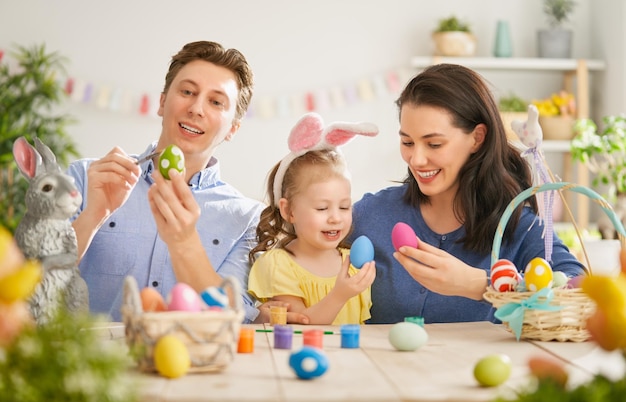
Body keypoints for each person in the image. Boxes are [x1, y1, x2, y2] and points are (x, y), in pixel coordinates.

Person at [68, 41, 303, 324]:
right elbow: (30, 283)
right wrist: (93, 215)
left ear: (233, 129)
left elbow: (233, 319)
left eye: (216, 102)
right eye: (188, 92)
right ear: (163, 102)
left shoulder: (248, 220)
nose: (196, 108)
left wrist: (185, 243)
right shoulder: (86, 178)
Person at [349, 63, 585, 324]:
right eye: (407, 142)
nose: (416, 159)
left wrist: (479, 284)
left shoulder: (517, 226)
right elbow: (300, 250)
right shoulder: (372, 214)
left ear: (477, 138)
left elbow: (579, 289)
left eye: (434, 144)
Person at [247, 112, 378, 325]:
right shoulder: (278, 264)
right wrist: (340, 294)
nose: (335, 218)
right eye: (322, 208)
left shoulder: (352, 263)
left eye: (344, 206)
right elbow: (302, 324)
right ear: (289, 210)